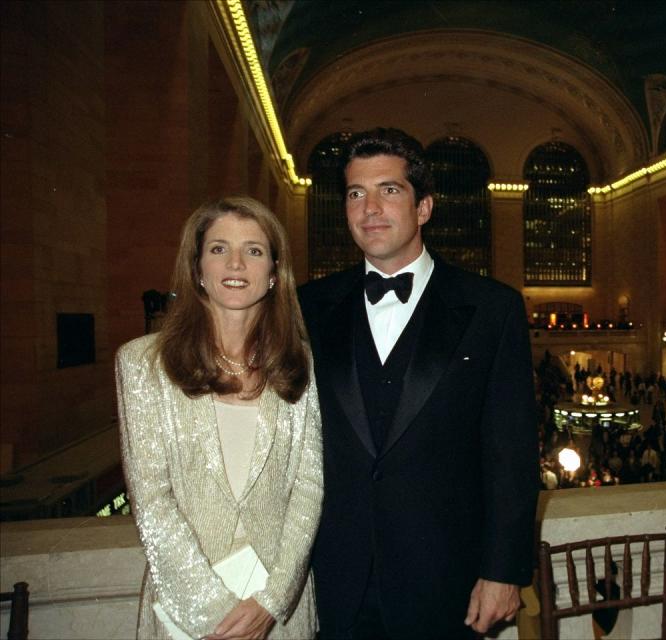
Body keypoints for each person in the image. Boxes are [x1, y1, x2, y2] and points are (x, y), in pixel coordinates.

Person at [298, 128, 539, 639]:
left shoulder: (492, 308)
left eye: (389, 190)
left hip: (447, 580)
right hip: (336, 579)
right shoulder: (308, 306)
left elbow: (511, 451)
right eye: (355, 194)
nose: (369, 209)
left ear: (424, 207)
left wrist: (503, 570)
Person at [115, 197, 323, 639]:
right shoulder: (142, 364)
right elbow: (151, 500)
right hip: (188, 610)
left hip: (277, 612)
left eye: (253, 250)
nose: (235, 263)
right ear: (196, 269)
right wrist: (215, 610)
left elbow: (309, 486)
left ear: (273, 273)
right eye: (217, 249)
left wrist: (272, 601)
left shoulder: (297, 360)